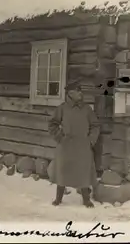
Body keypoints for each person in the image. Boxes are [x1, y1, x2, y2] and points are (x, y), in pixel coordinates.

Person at [48, 79, 100, 208]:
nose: (80, 93)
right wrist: (60, 137)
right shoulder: (62, 108)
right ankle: (58, 199)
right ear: (70, 93)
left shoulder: (87, 109)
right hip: (66, 145)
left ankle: (86, 200)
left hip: (83, 145)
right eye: (78, 91)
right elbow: (52, 124)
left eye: (80, 91)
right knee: (63, 171)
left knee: (83, 172)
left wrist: (91, 140)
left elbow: (95, 126)